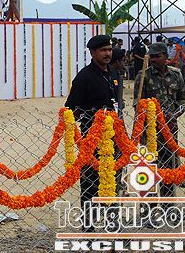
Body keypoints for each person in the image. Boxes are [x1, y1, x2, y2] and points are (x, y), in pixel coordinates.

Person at [65, 35, 121, 230]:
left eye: (109, 50)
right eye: (103, 50)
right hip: (92, 139)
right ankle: (88, 226)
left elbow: (118, 103)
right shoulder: (84, 77)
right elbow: (71, 109)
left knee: (113, 180)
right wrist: (90, 118)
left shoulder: (114, 73)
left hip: (114, 138)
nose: (107, 54)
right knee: (90, 181)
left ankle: (112, 223)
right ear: (93, 52)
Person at [133, 43, 185, 202]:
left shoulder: (176, 75)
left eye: (157, 56)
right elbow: (137, 104)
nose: (154, 59)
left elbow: (182, 101)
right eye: (152, 56)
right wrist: (154, 116)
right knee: (148, 167)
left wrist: (174, 115)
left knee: (168, 165)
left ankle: (167, 204)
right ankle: (148, 206)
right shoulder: (143, 76)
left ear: (166, 56)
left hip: (170, 130)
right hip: (149, 131)